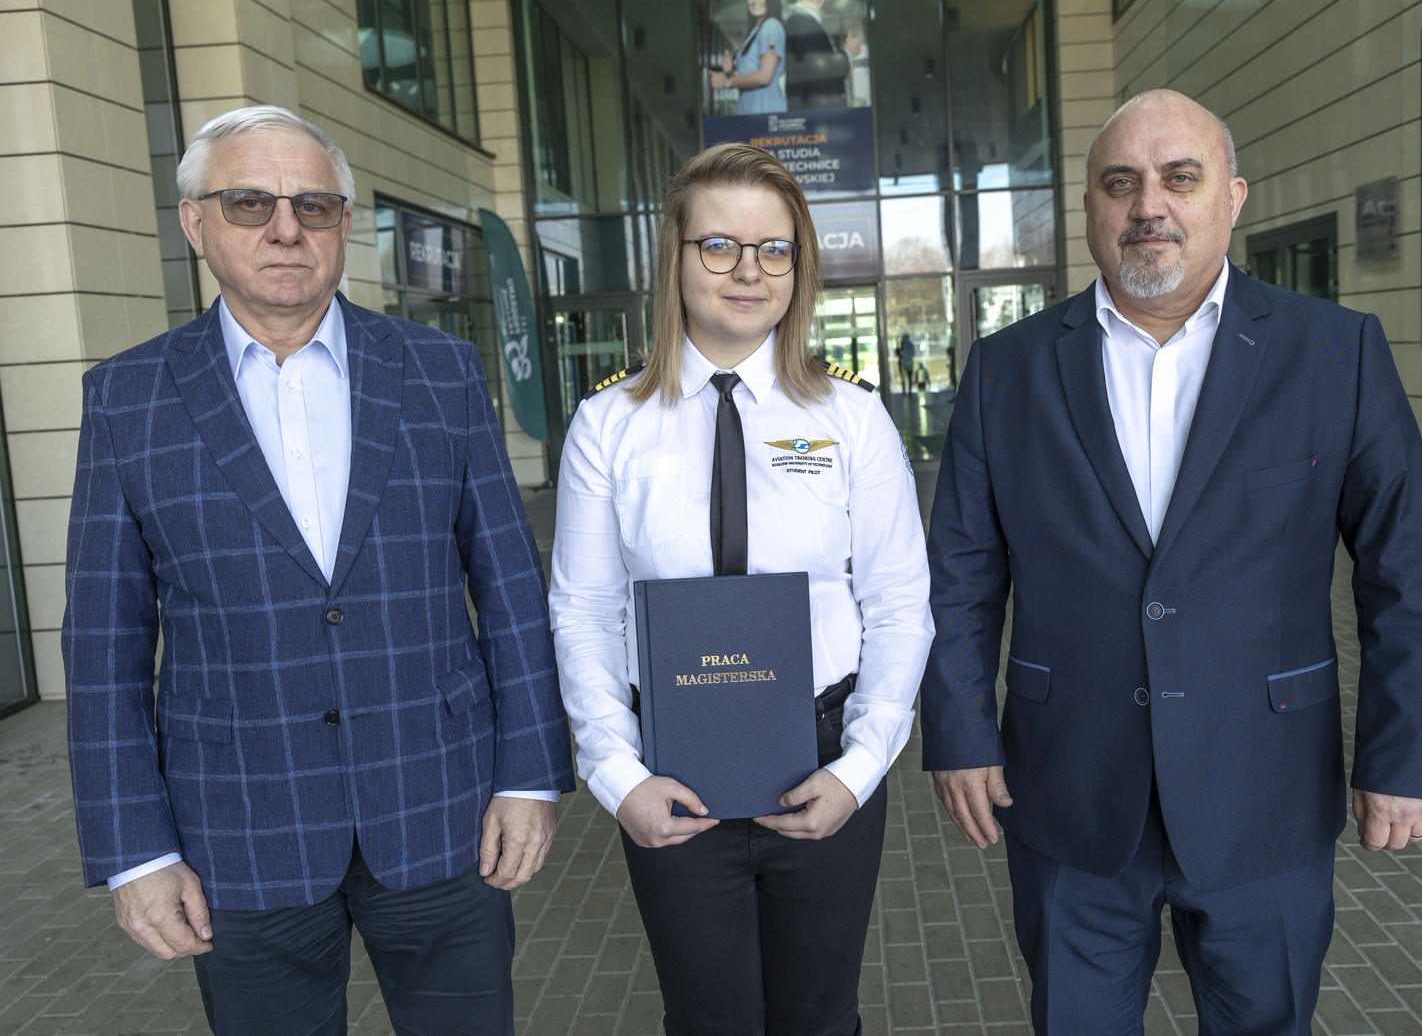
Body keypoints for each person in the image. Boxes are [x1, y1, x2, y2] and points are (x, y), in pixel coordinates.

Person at [920, 89, 1422, 1033]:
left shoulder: (1335, 353)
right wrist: (959, 733)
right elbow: (959, 574)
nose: (1149, 206)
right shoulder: (1007, 368)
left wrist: (1408, 754)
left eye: (1180, 178)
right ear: (1089, 208)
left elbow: (1406, 569)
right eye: (1119, 183)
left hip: (1267, 792)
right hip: (1071, 792)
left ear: (1233, 197)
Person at [63, 105, 575, 1036]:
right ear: (194, 224)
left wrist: (530, 777)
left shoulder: (441, 372)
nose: (286, 228)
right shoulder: (126, 399)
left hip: (443, 807)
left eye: (314, 205)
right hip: (238, 832)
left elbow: (510, 589)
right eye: (249, 203)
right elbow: (103, 645)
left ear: (344, 224)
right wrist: (135, 850)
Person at [549, 142, 933, 1036]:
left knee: (821, 1018)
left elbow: (898, 604)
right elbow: (583, 611)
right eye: (719, 246)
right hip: (669, 768)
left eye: (775, 249)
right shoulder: (609, 425)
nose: (749, 271)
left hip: (824, 760)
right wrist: (616, 775)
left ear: (800, 266)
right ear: (675, 260)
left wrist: (860, 769)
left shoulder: (851, 417)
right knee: (706, 1019)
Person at [785, 0, 861, 110]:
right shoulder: (801, 20)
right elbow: (813, 67)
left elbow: (811, 70)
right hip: (814, 114)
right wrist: (847, 55)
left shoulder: (807, 21)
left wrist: (843, 67)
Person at [711, 0, 786, 115]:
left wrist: (727, 82)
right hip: (751, 108)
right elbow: (749, 77)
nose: (755, 0)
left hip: (766, 108)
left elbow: (765, 77)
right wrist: (730, 72)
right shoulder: (755, 31)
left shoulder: (771, 26)